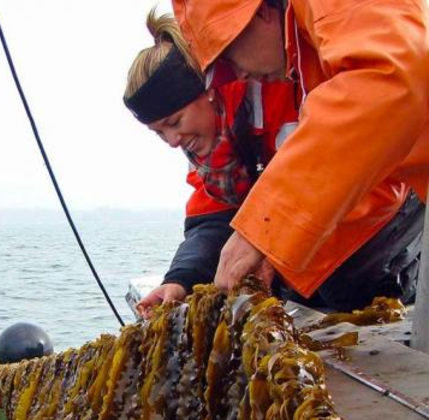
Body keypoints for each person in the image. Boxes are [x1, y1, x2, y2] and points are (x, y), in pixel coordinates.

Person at [171, 0, 429, 305]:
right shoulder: (305, 48)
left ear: (261, 13)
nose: (237, 75)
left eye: (228, 54)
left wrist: (264, 232)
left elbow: (391, 79)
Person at [124, 10, 300, 316]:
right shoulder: (210, 157)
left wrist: (269, 244)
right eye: (159, 132)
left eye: (174, 121)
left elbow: (319, 186)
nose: (173, 141)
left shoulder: (276, 90)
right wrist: (179, 280)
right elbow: (212, 222)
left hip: (372, 259)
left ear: (206, 92)